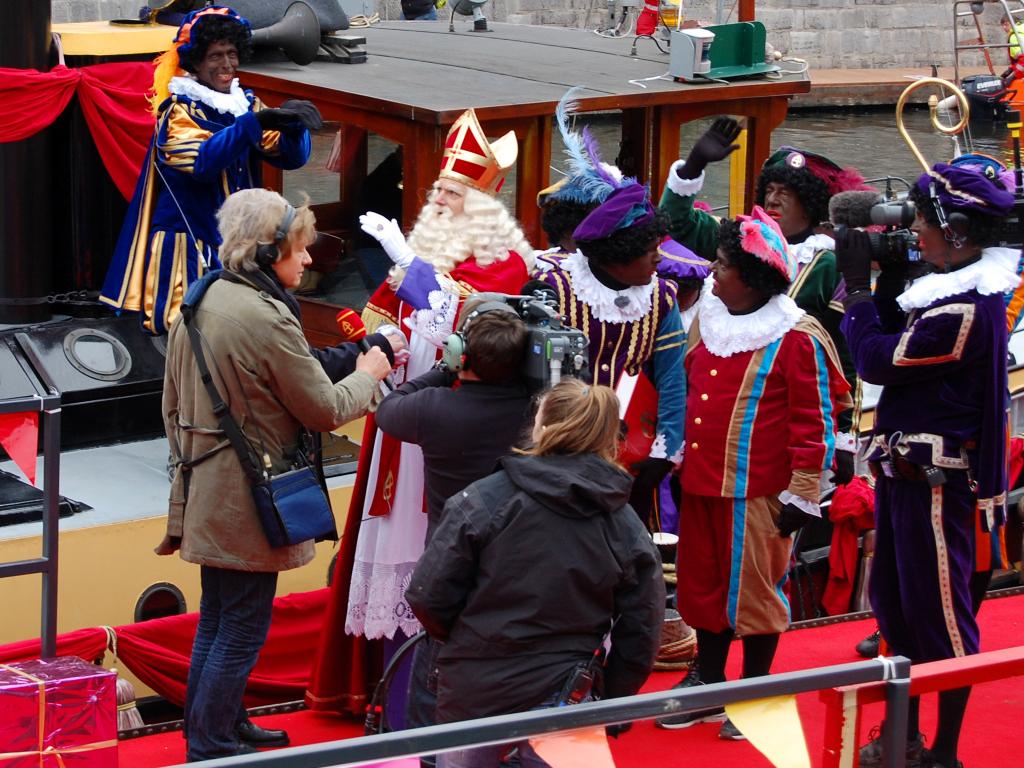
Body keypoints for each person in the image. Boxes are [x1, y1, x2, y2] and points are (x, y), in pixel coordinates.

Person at [306, 108, 534, 717]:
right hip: (402, 413)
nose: (435, 199)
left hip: (451, 425)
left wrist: (409, 265)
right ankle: (383, 698)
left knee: (433, 548)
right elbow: (376, 317)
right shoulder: (431, 241)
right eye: (437, 188)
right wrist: (371, 348)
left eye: (451, 192)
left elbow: (476, 326)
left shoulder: (505, 258)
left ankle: (423, 706)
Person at [158, 187, 392, 762]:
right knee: (238, 629)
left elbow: (169, 404)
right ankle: (211, 746)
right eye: (299, 248)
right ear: (267, 252)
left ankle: (221, 727)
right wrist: (371, 370)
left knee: (219, 619)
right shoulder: (263, 317)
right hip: (248, 496)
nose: (308, 259)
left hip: (209, 483)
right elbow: (326, 409)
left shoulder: (204, 295)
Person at [838, 163, 1017, 768]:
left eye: (921, 220)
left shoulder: (964, 311)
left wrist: (857, 290)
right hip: (907, 481)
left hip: (938, 490)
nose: (913, 229)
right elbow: (894, 333)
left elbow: (875, 359)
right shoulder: (952, 291)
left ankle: (944, 752)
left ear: (959, 230)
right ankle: (904, 737)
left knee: (942, 619)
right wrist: (886, 286)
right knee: (900, 609)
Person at [655, 206, 850, 739]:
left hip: (760, 492)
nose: (713, 273)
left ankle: (755, 690)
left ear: (754, 277)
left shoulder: (795, 336)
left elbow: (817, 422)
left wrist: (803, 494)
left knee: (757, 594)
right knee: (701, 588)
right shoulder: (710, 320)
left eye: (722, 265)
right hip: (699, 483)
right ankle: (710, 683)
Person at [405, 379, 664, 767]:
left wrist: (470, 641)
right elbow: (641, 629)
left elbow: (428, 595)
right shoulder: (623, 524)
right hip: (565, 690)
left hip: (478, 686)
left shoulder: (485, 498)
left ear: (541, 427)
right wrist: (611, 698)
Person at [659, 118, 868, 488]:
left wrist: (845, 437)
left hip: (784, 420)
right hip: (721, 413)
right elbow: (674, 222)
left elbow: (845, 354)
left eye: (787, 193)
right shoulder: (738, 243)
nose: (773, 199)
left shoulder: (828, 264)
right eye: (769, 190)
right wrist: (693, 166)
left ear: (810, 203)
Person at [100, 5, 322, 335]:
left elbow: (289, 157)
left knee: (236, 332)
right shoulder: (176, 111)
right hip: (188, 245)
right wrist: (254, 123)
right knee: (188, 334)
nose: (227, 64)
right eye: (216, 55)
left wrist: (294, 126)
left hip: (239, 246)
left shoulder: (244, 103)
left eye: (232, 53)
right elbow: (202, 161)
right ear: (196, 62)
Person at [372, 303, 534, 752]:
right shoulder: (537, 409)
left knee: (437, 666)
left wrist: (445, 372)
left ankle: (428, 753)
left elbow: (389, 408)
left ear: (462, 354)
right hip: (522, 562)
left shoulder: (435, 408)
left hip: (451, 561)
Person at [533, 100, 686, 529]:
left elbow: (673, 380)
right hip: (562, 454)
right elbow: (543, 383)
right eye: (647, 251)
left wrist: (665, 451)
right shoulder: (556, 287)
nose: (659, 259)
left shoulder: (662, 298)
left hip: (634, 455)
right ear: (616, 256)